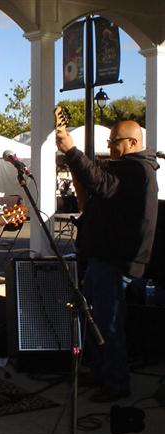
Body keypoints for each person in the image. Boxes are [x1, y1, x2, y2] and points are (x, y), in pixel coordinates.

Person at [56, 120, 159, 403]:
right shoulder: (129, 169)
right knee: (94, 319)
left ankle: (116, 382)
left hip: (115, 261)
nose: (109, 147)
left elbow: (101, 184)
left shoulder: (137, 169)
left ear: (133, 143)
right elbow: (97, 189)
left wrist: (73, 151)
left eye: (114, 142)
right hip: (103, 258)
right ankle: (101, 371)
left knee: (108, 323)